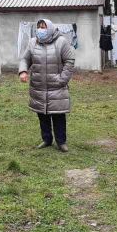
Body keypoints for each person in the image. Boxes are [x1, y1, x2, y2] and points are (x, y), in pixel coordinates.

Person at [19, 19, 75, 152]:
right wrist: (23, 70)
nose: (41, 30)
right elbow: (25, 59)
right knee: (42, 115)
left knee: (58, 115)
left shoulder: (61, 42)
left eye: (43, 27)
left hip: (57, 86)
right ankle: (46, 139)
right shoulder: (33, 42)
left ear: (50, 28)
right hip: (38, 86)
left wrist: (62, 80)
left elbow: (69, 61)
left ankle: (61, 142)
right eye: (39, 27)